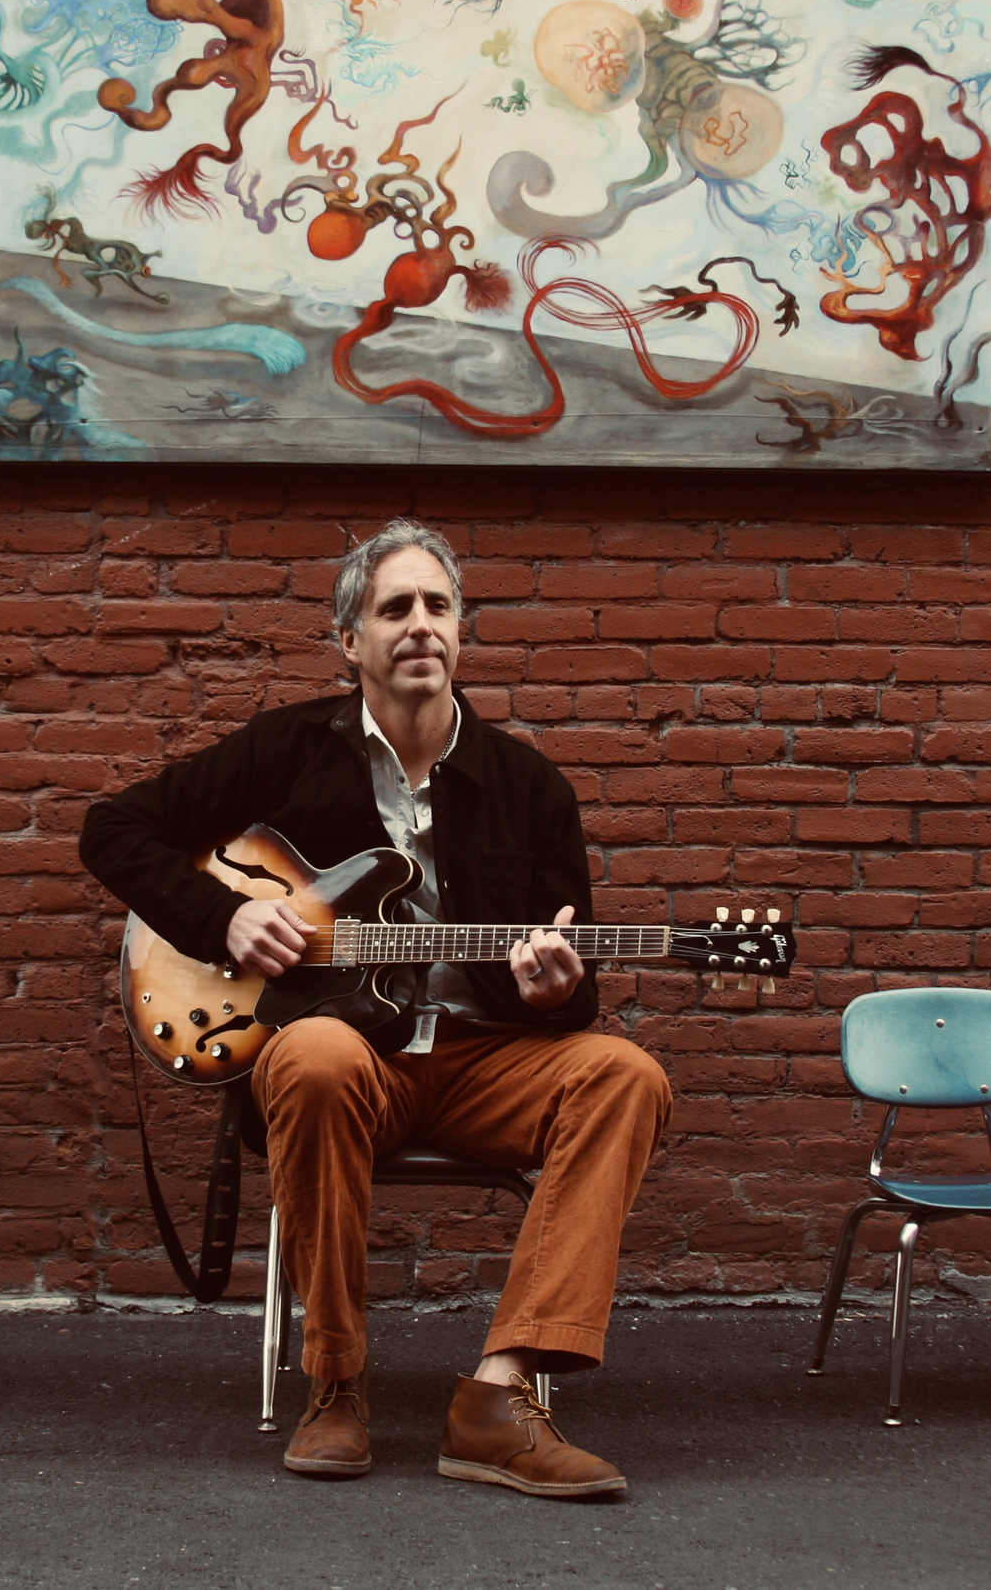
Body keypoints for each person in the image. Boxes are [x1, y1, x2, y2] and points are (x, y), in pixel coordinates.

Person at [79, 520, 671, 1500]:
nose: (419, 625)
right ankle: (335, 1381)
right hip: (346, 1061)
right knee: (312, 1054)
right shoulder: (284, 750)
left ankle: (500, 1392)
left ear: (461, 632)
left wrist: (559, 987)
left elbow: (573, 989)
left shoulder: (528, 786)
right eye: (393, 607)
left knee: (625, 1075)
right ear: (348, 638)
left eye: (437, 606)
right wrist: (224, 918)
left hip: (485, 1062)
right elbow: (115, 830)